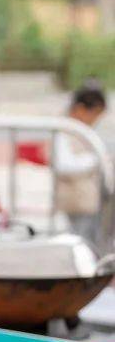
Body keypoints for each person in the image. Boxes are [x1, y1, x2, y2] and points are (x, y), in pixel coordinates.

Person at [55, 83, 107, 238]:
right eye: (95, 114)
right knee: (81, 242)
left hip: (90, 203)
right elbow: (63, 165)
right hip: (75, 202)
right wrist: (96, 160)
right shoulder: (63, 130)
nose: (95, 120)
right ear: (80, 109)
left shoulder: (84, 130)